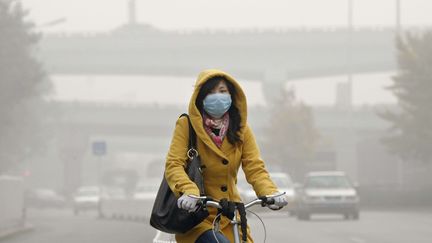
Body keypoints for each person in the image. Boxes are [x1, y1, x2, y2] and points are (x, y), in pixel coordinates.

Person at [165, 69, 287, 243]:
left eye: (222, 91)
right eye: (210, 92)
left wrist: (269, 191)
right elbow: (174, 165)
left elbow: (254, 167)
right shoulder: (186, 125)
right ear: (200, 97)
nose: (217, 97)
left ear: (232, 95)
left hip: (230, 215)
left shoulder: (241, 129)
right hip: (197, 216)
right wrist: (189, 191)